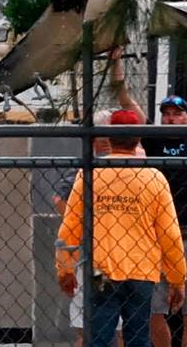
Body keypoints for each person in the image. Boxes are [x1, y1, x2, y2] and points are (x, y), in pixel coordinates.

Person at [113, 31, 187, 347]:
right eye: (167, 113)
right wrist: (116, 62)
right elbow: (125, 100)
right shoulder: (154, 138)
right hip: (157, 236)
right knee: (153, 311)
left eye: (177, 113)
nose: (171, 118)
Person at [56, 109, 187, 347]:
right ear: (137, 139)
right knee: (138, 336)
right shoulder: (153, 178)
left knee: (99, 337)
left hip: (101, 269)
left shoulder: (90, 174)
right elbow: (170, 234)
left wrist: (65, 269)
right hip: (141, 269)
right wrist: (178, 279)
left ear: (109, 138)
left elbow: (71, 226)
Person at [52, 110, 123, 347]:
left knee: (115, 329)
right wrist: (88, 224)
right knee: (88, 328)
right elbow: (59, 201)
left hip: (119, 255)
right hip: (93, 255)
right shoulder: (84, 168)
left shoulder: (126, 165)